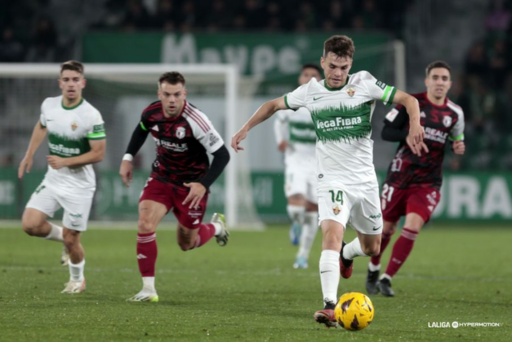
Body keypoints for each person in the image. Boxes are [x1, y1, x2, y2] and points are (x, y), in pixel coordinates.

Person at [232, 35, 425, 328]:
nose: (337, 73)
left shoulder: (364, 83)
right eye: (333, 66)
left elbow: (409, 99)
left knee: (373, 247)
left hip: (364, 181)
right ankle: (330, 306)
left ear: (351, 65)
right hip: (332, 180)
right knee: (331, 236)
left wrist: (415, 124)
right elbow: (272, 105)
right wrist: (245, 128)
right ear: (323, 62)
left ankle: (348, 255)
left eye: (343, 67)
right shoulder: (309, 92)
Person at [120, 71, 231, 303]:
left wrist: (203, 184)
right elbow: (141, 129)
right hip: (161, 177)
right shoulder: (151, 112)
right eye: (167, 94)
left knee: (186, 243)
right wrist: (128, 157)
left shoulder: (196, 120)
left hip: (191, 186)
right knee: (145, 223)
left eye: (177, 95)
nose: (172, 100)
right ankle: (148, 289)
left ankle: (216, 227)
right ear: (159, 94)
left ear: (185, 94)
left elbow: (222, 154)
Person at [366, 61, 465, 297]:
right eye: (435, 77)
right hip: (399, 176)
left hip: (428, 182)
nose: (439, 82)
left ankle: (386, 278)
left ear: (449, 84)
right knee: (386, 229)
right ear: (427, 80)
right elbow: (385, 132)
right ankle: (373, 268)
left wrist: (458, 146)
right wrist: (407, 135)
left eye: (444, 78)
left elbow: (456, 140)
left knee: (412, 226)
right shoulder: (411, 103)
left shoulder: (455, 113)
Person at [18, 60, 106, 293]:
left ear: (83, 83)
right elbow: (41, 126)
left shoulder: (91, 115)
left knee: (72, 239)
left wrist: (65, 161)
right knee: (29, 224)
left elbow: (99, 153)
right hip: (54, 179)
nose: (71, 84)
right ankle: (66, 241)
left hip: (79, 187)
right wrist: (29, 154)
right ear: (60, 83)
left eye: (75, 80)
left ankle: (77, 280)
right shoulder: (50, 105)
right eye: (66, 79)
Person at [273, 63, 322, 268]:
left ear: (320, 80)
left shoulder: (325, 103)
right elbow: (278, 120)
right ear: (300, 78)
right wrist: (280, 140)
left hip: (319, 164)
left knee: (313, 212)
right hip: (295, 160)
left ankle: (302, 256)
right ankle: (295, 223)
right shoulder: (292, 99)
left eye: (313, 75)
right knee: (296, 209)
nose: (309, 78)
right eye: (305, 75)